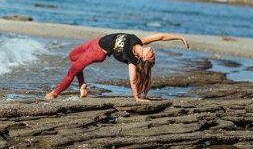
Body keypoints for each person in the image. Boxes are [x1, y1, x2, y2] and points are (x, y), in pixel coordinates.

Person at [45, 32, 190, 102]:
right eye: (153, 54)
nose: (153, 53)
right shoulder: (139, 41)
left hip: (97, 52)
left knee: (72, 71)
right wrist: (180, 38)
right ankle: (82, 85)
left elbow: (133, 80)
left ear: (144, 58)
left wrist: (137, 98)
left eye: (152, 57)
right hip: (97, 41)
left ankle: (54, 93)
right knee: (72, 56)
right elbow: (161, 37)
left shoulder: (132, 59)